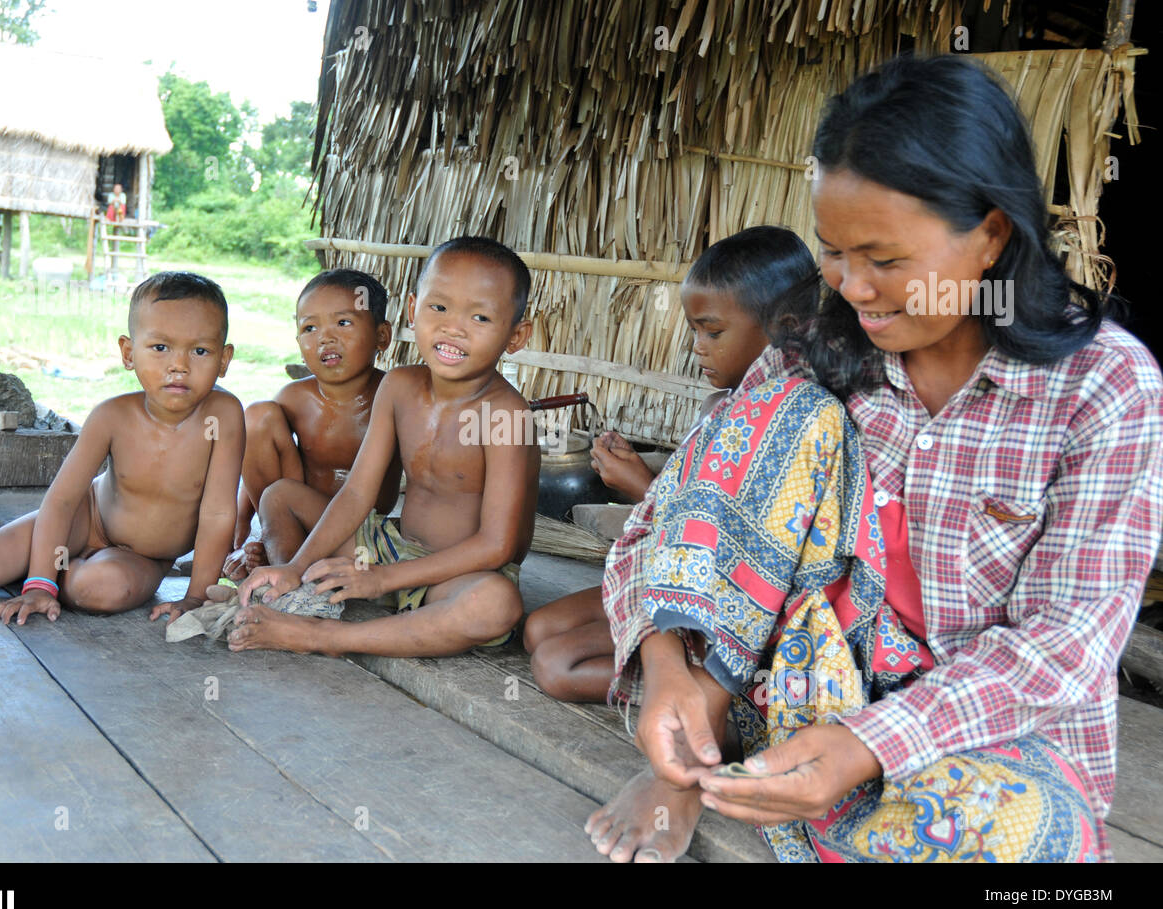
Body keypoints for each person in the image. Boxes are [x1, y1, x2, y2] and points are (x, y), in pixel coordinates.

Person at [588, 54, 1163, 864]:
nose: (854, 287)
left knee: (1035, 846)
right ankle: (698, 756)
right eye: (833, 251)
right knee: (785, 414)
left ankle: (764, 788)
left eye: (886, 260)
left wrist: (867, 743)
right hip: (795, 693)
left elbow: (1065, 645)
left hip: (983, 741)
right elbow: (661, 524)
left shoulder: (1102, 384)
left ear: (992, 233)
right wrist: (669, 665)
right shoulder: (809, 356)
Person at [523, 226, 815, 702]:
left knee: (557, 665)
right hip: (671, 572)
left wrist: (641, 486)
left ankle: (725, 704)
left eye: (713, 331)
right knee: (539, 628)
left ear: (783, 327)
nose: (698, 346)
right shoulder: (722, 408)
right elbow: (703, 500)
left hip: (725, 610)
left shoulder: (790, 420)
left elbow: (737, 549)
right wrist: (645, 477)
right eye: (694, 330)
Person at [0, 272, 245, 627]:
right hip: (85, 519)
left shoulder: (224, 416)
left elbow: (217, 512)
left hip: (146, 555)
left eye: (199, 351)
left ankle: (58, 568)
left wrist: (197, 597)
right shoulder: (111, 416)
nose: (178, 366)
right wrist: (39, 585)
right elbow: (62, 501)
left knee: (97, 591)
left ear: (224, 359)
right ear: (129, 353)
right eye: (160, 347)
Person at [229, 236, 538, 657]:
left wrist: (380, 580)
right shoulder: (399, 387)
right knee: (280, 496)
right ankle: (297, 594)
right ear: (413, 310)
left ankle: (323, 637)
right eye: (439, 307)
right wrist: (295, 565)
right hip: (386, 547)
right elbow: (357, 493)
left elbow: (497, 546)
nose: (453, 327)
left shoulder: (506, 414)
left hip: (456, 573)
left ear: (516, 335)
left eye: (480, 317)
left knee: (495, 605)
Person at [224, 269, 401, 581]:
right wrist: (242, 527)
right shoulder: (295, 398)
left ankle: (286, 567)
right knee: (256, 417)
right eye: (310, 327)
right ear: (298, 342)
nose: (325, 337)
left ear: (381, 336)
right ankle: (275, 542)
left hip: (359, 532)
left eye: (343, 323)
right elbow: (253, 456)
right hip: (295, 515)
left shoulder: (396, 397)